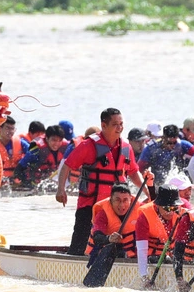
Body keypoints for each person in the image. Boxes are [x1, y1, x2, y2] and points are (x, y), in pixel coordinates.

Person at [57, 107, 140, 258]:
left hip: (117, 207)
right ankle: (74, 263)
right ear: (104, 125)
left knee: (121, 244)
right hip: (89, 205)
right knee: (79, 247)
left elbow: (134, 172)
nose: (120, 128)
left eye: (121, 124)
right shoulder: (88, 145)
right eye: (115, 124)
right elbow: (67, 166)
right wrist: (60, 189)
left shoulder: (126, 147)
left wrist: (148, 191)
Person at [82, 181, 146, 287]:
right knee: (115, 249)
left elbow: (155, 210)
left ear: (131, 199)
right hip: (106, 253)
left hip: (131, 253)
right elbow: (97, 237)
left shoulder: (140, 208)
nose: (122, 205)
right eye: (117, 200)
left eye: (125, 200)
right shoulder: (103, 214)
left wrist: (151, 186)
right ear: (111, 200)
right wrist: (109, 239)